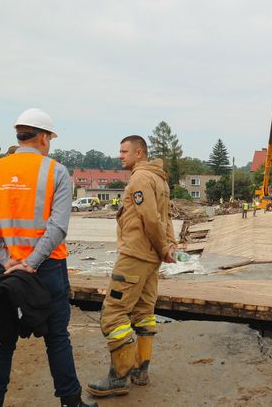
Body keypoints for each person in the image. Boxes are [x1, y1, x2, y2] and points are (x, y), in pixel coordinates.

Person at [0, 108, 95, 407]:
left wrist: (8, 259)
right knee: (56, 338)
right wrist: (32, 262)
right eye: (49, 137)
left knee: (2, 341)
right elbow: (58, 226)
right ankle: (70, 402)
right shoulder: (56, 171)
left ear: (19, 134)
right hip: (48, 268)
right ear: (42, 137)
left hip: (7, 270)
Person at [87, 135, 176, 398]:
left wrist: (163, 247)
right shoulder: (160, 178)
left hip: (136, 255)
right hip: (151, 259)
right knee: (143, 312)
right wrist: (169, 246)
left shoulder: (139, 179)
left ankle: (119, 377)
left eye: (124, 151)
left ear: (139, 153)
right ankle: (140, 369)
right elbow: (165, 218)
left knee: (113, 313)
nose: (120, 155)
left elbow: (150, 217)